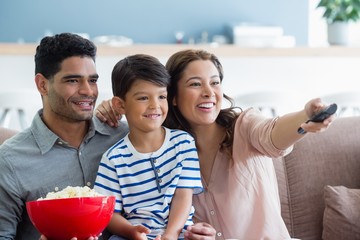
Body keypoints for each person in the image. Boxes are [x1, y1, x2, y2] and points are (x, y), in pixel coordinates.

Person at [95, 49, 336, 240]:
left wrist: (304, 117)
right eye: (195, 84)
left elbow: (273, 133)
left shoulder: (245, 126)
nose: (209, 92)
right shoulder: (167, 148)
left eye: (215, 82)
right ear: (174, 97)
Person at [0, 33, 128, 240]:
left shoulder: (124, 137)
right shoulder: (10, 160)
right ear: (42, 85)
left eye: (92, 80)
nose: (88, 91)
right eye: (73, 80)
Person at [93, 54, 203, 240]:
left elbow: (183, 195)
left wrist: (170, 235)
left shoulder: (183, 143)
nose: (155, 105)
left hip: (178, 233)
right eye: (143, 98)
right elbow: (109, 213)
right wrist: (131, 231)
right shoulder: (114, 158)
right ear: (120, 105)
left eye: (161, 96)